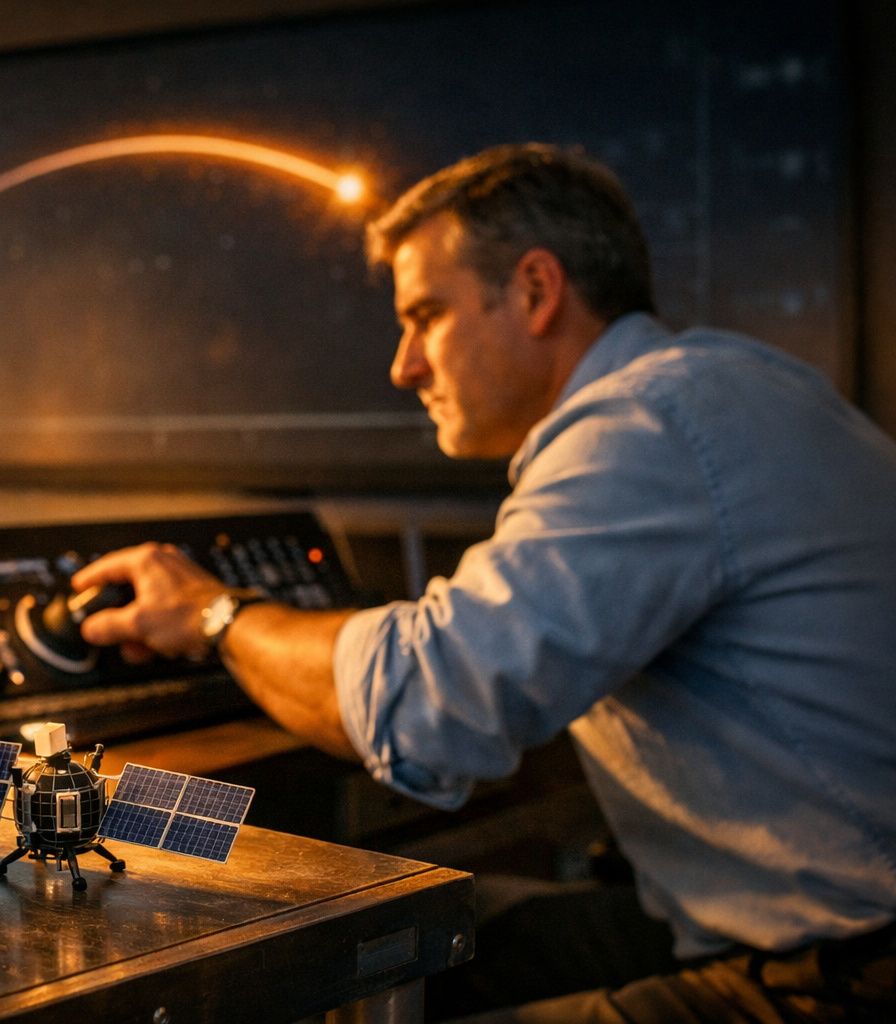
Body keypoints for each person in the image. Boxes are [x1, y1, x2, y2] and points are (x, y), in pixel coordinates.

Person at [72, 143, 896, 1022]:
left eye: (426, 315)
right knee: (442, 943)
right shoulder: (740, 382)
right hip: (757, 919)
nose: (405, 365)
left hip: (845, 973)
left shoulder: (644, 424)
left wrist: (211, 613)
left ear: (537, 291)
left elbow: (426, 704)